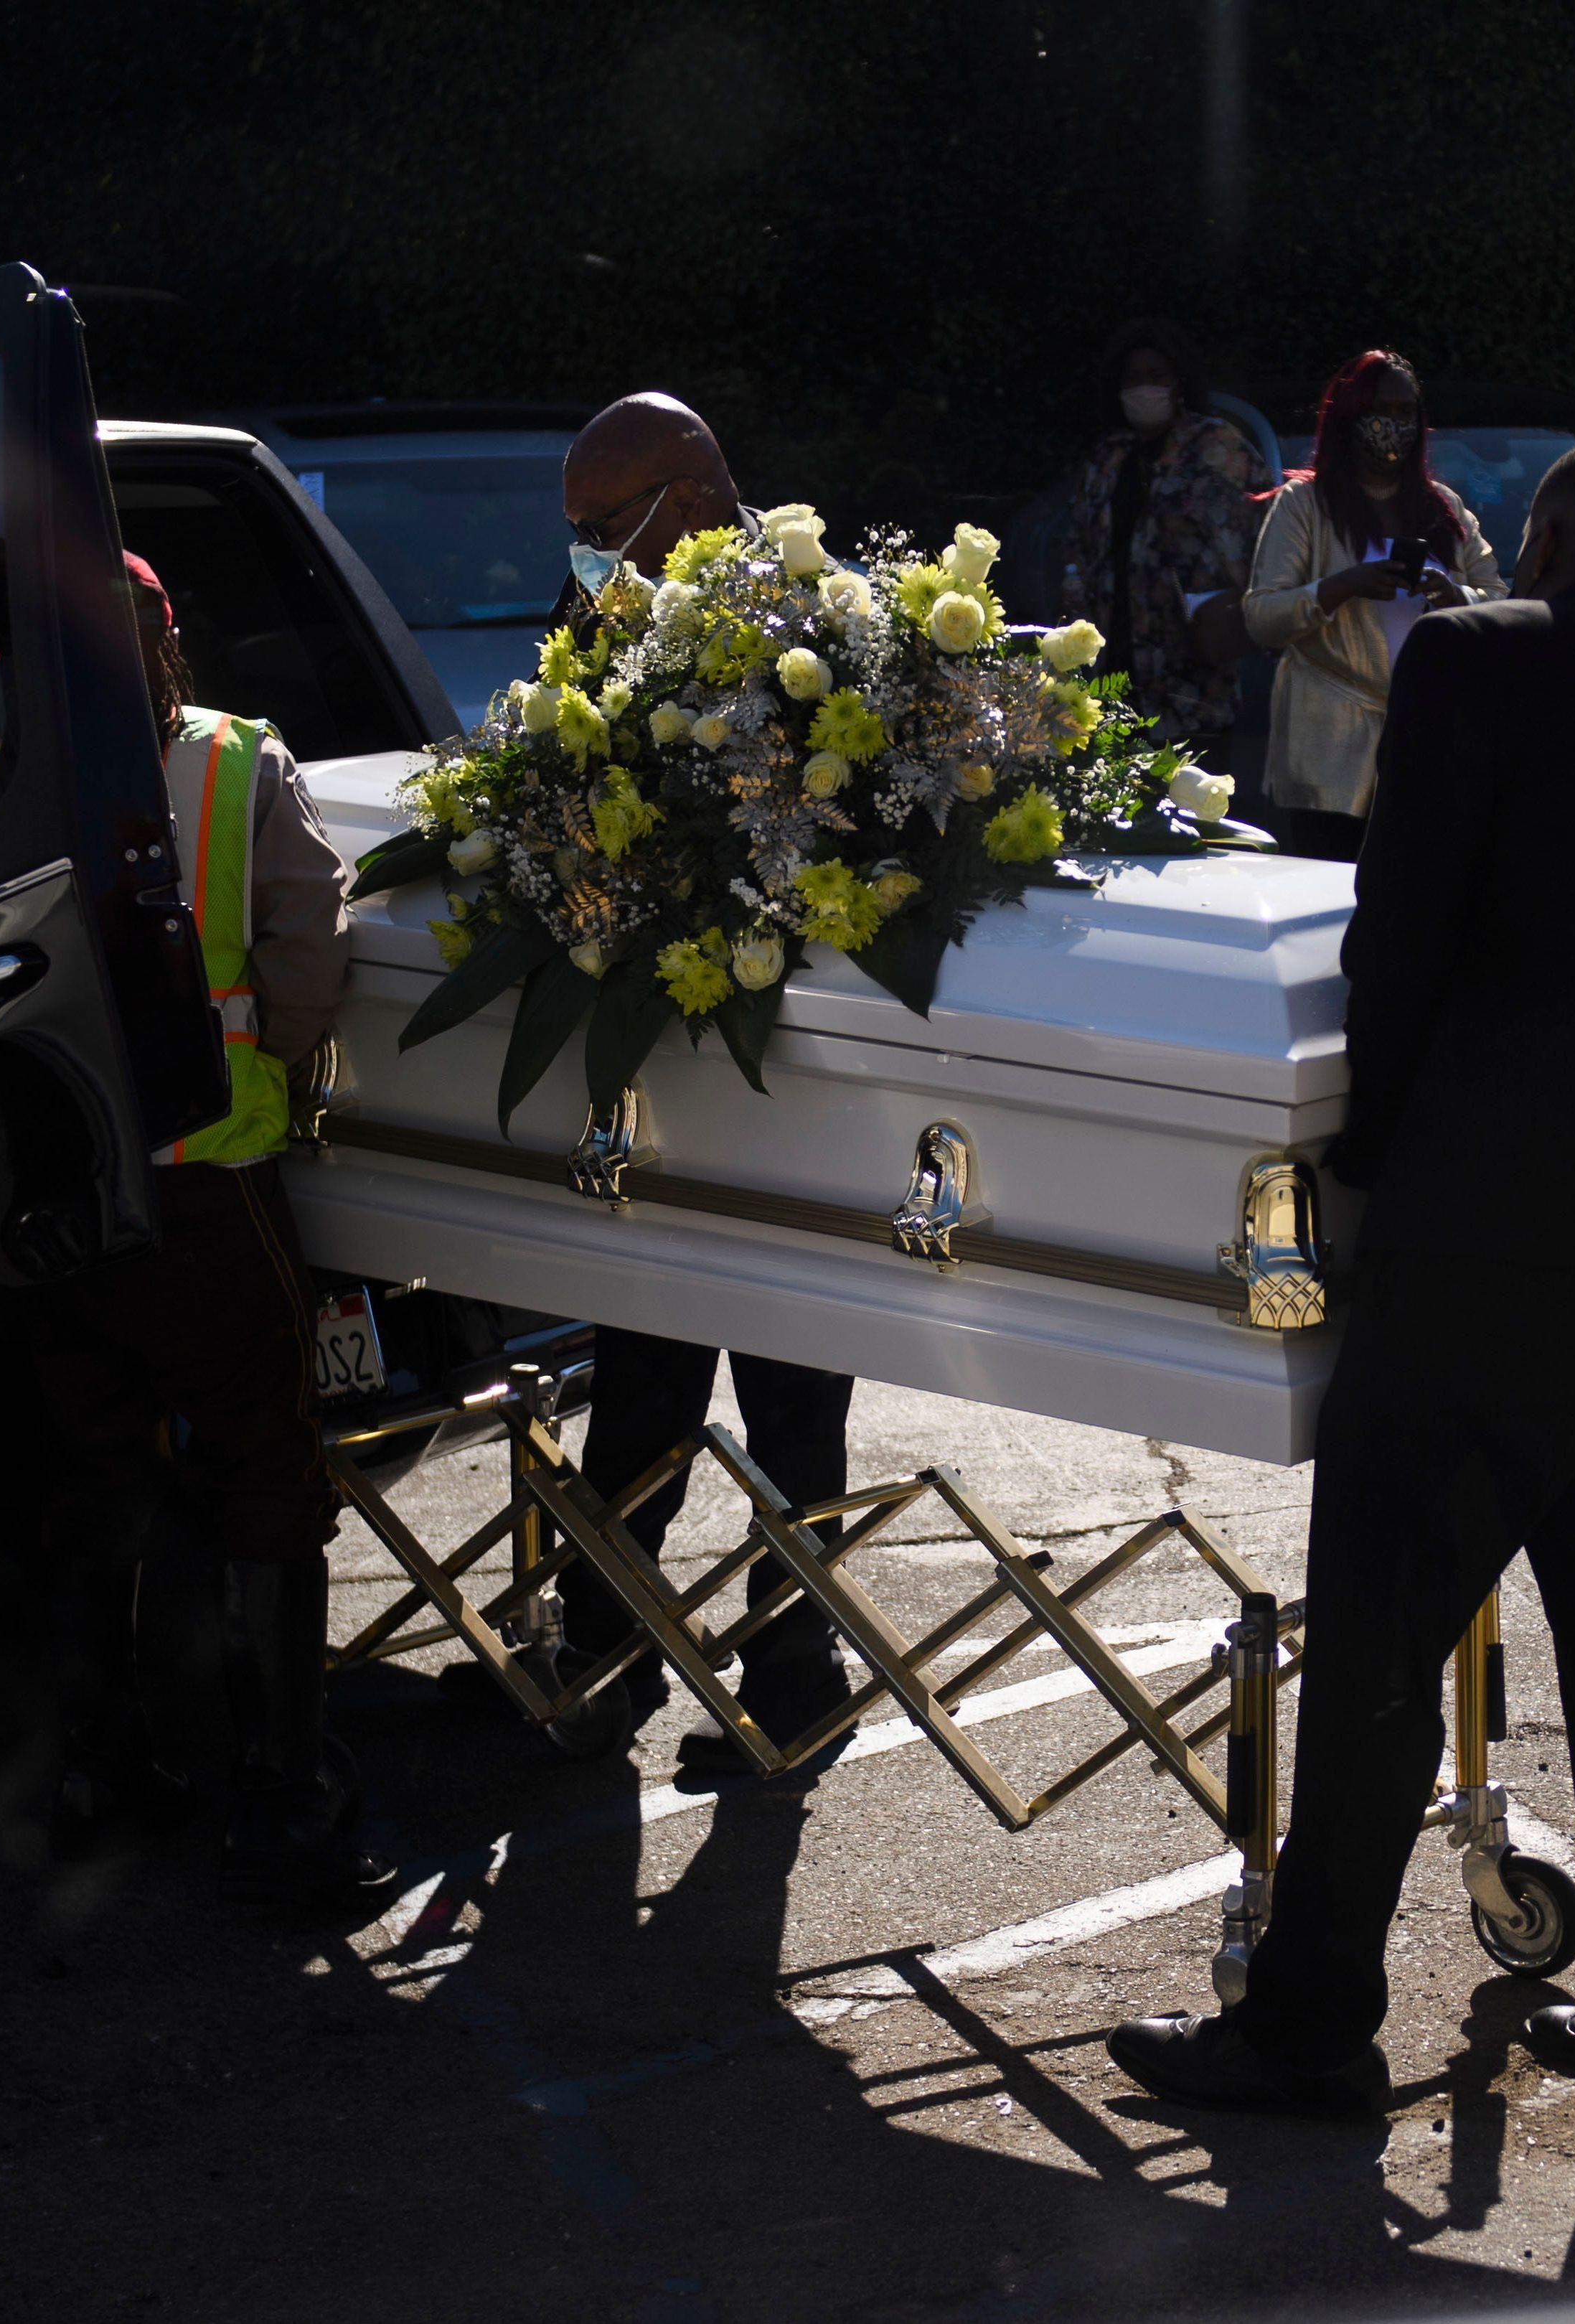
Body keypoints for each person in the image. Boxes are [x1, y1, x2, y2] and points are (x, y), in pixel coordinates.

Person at [1108, 433, 1575, 2115]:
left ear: (1557, 535)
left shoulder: (1470, 661)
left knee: (1380, 1621)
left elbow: (1401, 923)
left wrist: (1373, 1150)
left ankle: (1304, 2025)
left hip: (1483, 1232)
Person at [36, 550, 386, 1902]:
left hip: (57, 1196)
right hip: (209, 1181)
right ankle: (283, 1802)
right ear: (167, 642)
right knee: (265, 1476)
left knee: (88, 1475)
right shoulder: (237, 765)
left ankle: (99, 1776)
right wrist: (275, 1061)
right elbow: (308, 956)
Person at [552, 393, 860, 1772]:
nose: (587, 556)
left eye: (602, 528)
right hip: (667, 1086)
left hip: (794, 1091)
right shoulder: (611, 632)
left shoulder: (826, 630)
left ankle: (794, 1669)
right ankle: (604, 1647)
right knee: (638, 1392)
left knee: (796, 1405)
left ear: (685, 495)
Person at [1241, 348, 1504, 860]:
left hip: (1430, 740)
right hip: (1329, 750)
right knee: (1332, 894)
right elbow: (1261, 617)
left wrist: (1457, 597)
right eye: (1381, 410)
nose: (1394, 424)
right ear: (1350, 415)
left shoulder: (1443, 508)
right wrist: (1345, 585)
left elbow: (1500, 602)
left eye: (1407, 413)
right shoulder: (1304, 505)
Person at [1050, 320, 1271, 757]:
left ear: (1179, 381)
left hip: (1192, 681)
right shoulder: (1108, 456)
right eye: (1133, 378)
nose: (1144, 387)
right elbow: (1079, 543)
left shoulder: (1218, 446)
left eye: (1156, 376)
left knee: (1196, 811)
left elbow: (1261, 538)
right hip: (1114, 673)